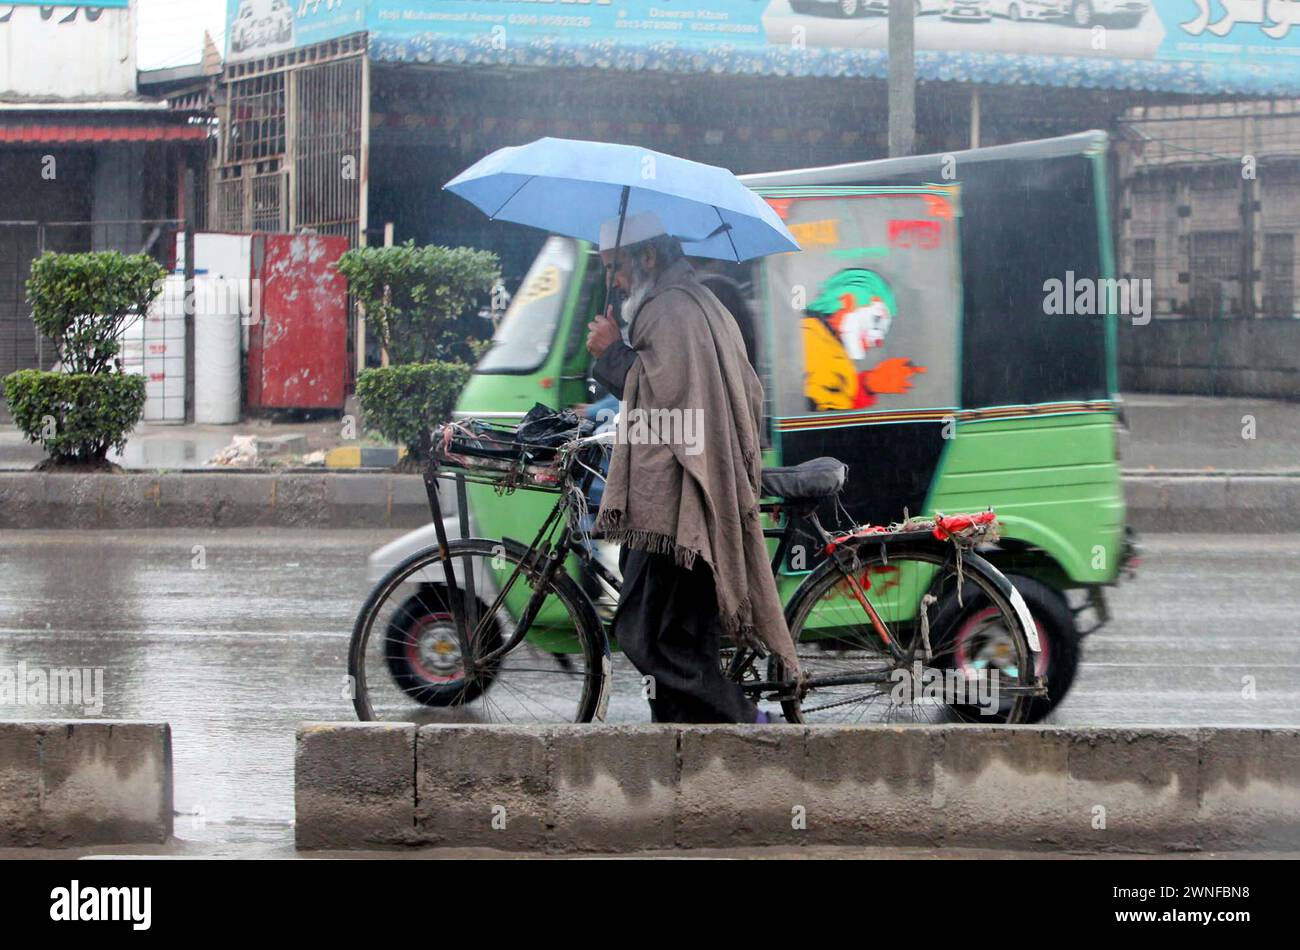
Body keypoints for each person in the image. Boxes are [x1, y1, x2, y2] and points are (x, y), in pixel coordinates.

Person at [584, 210, 800, 723]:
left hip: (680, 502)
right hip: (688, 491)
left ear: (648, 257)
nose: (612, 279)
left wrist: (611, 352)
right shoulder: (694, 300)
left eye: (615, 266)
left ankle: (749, 720)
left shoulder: (671, 310)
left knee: (646, 631)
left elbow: (667, 399)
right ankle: (686, 746)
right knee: (681, 634)